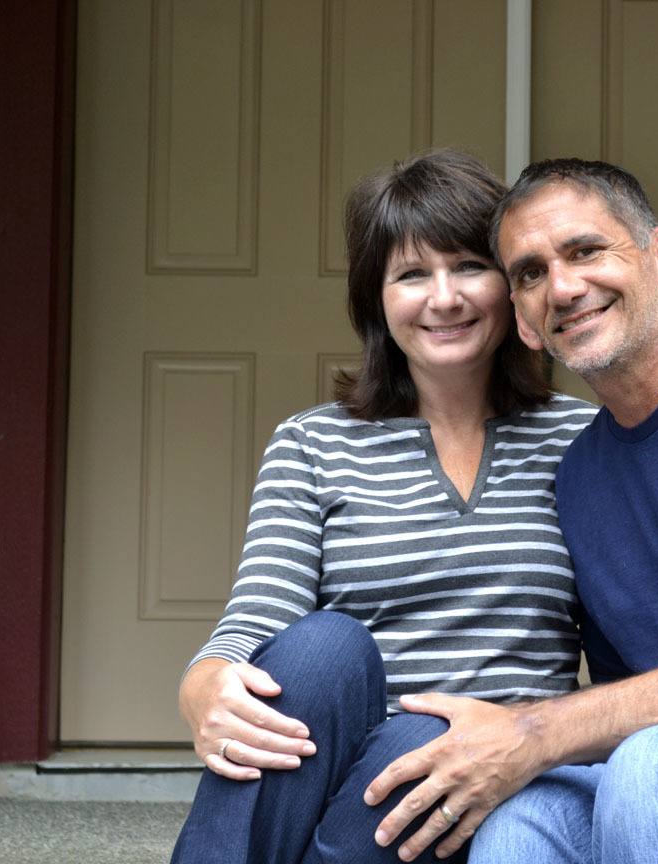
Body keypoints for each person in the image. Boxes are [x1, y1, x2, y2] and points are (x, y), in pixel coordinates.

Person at [170, 150, 658, 864]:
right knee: (358, 687)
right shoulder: (572, 465)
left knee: (634, 766)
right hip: (395, 767)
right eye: (534, 271)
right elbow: (259, 616)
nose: (563, 287)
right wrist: (205, 679)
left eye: (583, 252)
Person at [169, 150, 598, 863]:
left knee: (423, 738)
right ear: (377, 302)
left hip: (499, 776)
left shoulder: (582, 442)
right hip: (341, 773)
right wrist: (204, 681)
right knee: (323, 647)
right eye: (411, 275)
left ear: (513, 283)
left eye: (468, 266)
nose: (444, 297)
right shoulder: (313, 443)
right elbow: (259, 615)